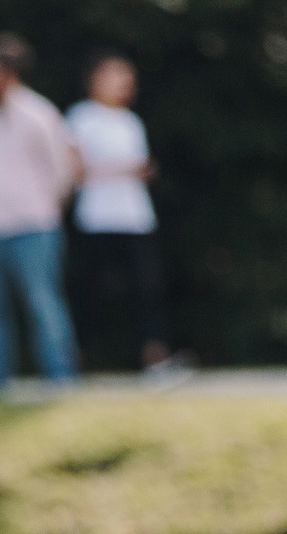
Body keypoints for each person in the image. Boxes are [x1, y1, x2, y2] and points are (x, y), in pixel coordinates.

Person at [0, 35, 80, 389]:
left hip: (35, 223)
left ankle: (61, 378)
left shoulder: (39, 113)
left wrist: (47, 208)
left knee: (44, 304)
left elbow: (63, 170)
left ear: (9, 72)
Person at [67, 52, 174, 374]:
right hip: (96, 218)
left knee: (147, 290)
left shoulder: (131, 121)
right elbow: (75, 172)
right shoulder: (80, 117)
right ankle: (75, 361)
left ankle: (155, 358)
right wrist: (124, 169)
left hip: (135, 218)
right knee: (89, 293)